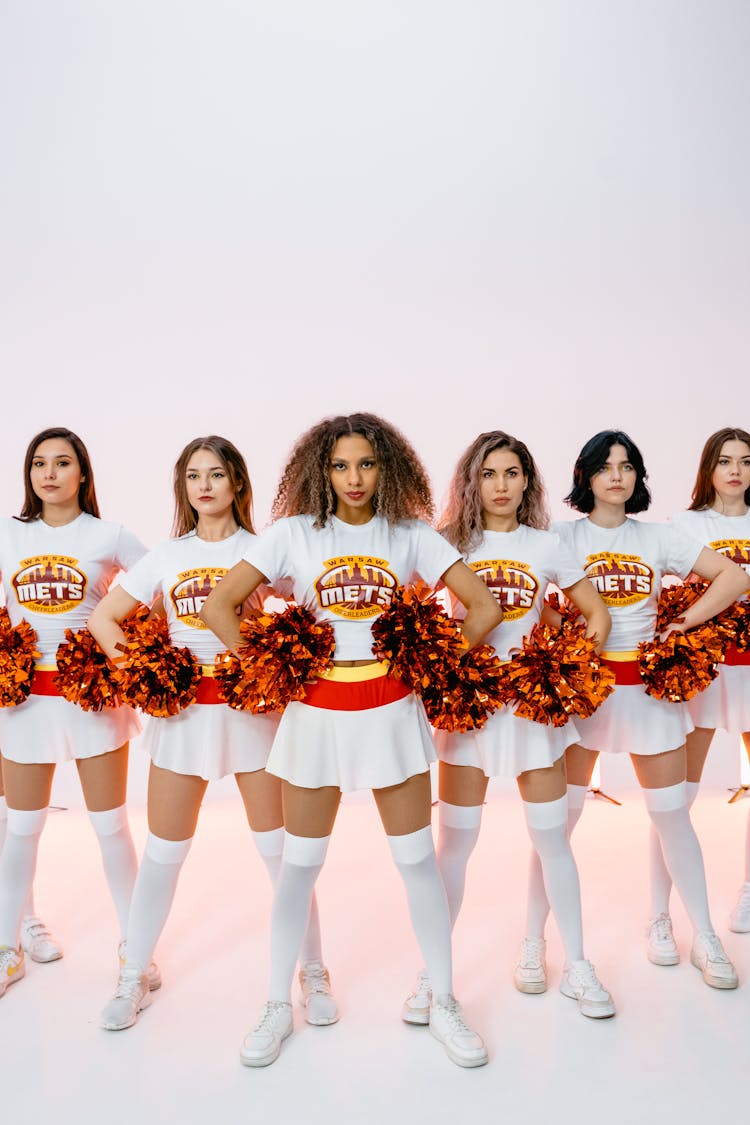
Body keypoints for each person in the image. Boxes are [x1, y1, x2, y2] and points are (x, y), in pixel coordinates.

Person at [201, 412, 502, 1068]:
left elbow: (484, 608)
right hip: (316, 718)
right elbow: (219, 606)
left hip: (393, 714)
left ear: (387, 466)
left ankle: (444, 998)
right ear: (320, 470)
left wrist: (429, 661)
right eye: (341, 465)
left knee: (418, 861)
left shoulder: (412, 535)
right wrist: (266, 663)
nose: (355, 477)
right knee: (298, 868)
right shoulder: (291, 536)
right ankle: (278, 1003)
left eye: (366, 463)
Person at [88, 436, 331, 1030]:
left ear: (238, 485)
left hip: (255, 715)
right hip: (184, 715)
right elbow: (103, 619)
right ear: (183, 488)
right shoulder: (166, 556)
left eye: (216, 474)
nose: (204, 485)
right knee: (163, 855)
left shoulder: (265, 549)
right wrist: (146, 672)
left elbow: (314, 607)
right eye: (193, 475)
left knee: (285, 857)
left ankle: (314, 971)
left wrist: (286, 663)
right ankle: (134, 972)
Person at [522, 430, 750, 990]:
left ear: (638, 478)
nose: (617, 476)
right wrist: (565, 634)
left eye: (627, 466)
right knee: (557, 827)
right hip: (582, 697)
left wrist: (686, 622)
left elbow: (734, 576)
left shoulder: (659, 538)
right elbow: (524, 599)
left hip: (648, 695)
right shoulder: (560, 537)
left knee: (673, 817)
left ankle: (705, 938)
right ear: (587, 477)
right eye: (606, 466)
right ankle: (532, 943)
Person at [403, 431, 614, 1022]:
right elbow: (409, 611)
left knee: (552, 839)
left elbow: (594, 612)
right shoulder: (447, 543)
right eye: (489, 473)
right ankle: (432, 975)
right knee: (455, 846)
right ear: (472, 481)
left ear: (528, 481)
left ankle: (575, 965)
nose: (501, 485)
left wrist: (565, 668)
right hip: (467, 715)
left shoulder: (545, 546)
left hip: (529, 712)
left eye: (512, 473)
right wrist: (435, 667)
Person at [0, 427, 146, 998]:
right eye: (39, 463)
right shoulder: (9, 535)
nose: (50, 474)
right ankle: (10, 943)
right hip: (24, 699)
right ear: (29, 474)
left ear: (83, 474)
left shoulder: (109, 535)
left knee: (110, 825)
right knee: (21, 826)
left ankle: (137, 946)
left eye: (63, 463)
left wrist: (132, 644)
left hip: (93, 699)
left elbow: (158, 585)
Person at [648, 428, 750, 946]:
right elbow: (665, 592)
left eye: (746, 461)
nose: (735, 470)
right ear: (708, 468)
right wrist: (687, 624)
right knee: (675, 795)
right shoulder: (685, 524)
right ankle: (659, 911)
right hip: (704, 669)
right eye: (725, 460)